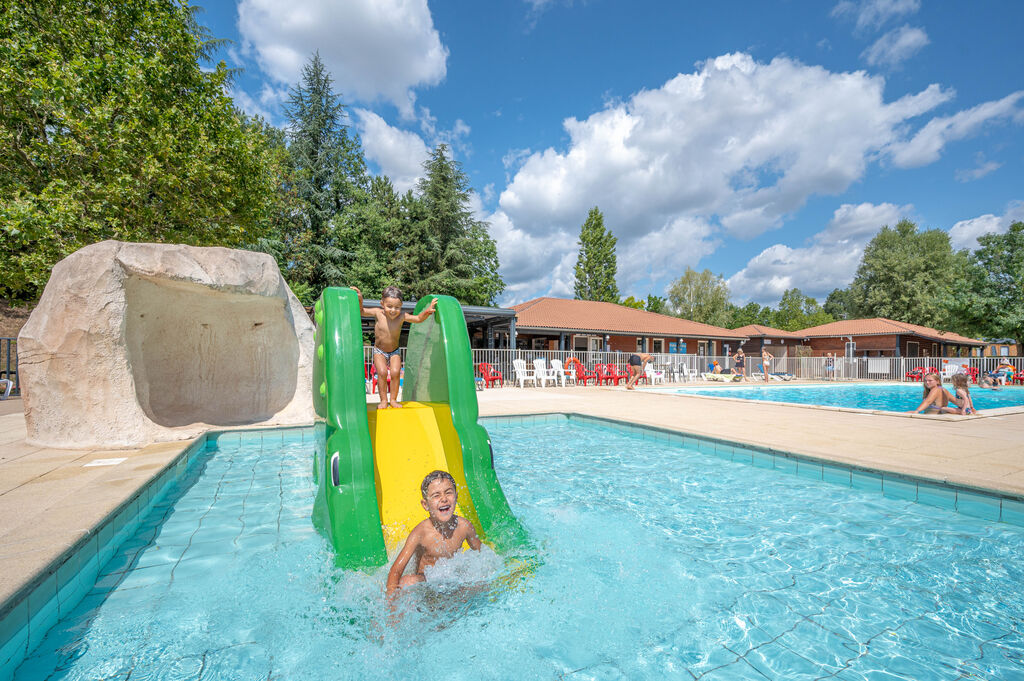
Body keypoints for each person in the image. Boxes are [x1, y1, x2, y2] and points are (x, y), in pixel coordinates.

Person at [386, 470, 481, 599]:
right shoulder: (421, 533)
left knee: (480, 583)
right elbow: (396, 570)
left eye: (448, 493)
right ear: (425, 505)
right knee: (407, 582)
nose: (444, 499)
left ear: (456, 497)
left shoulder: (464, 527)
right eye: (436, 495)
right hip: (426, 585)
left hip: (452, 581)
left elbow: (483, 555)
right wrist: (391, 601)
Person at [354, 285, 437, 409]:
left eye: (397, 307)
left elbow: (419, 318)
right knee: (381, 372)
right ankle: (383, 400)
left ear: (401, 305)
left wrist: (427, 311)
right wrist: (360, 300)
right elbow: (361, 311)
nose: (393, 310)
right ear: (382, 303)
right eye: (389, 306)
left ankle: (393, 400)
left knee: (395, 372)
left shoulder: (402, 316)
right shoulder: (378, 313)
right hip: (379, 351)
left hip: (394, 351)